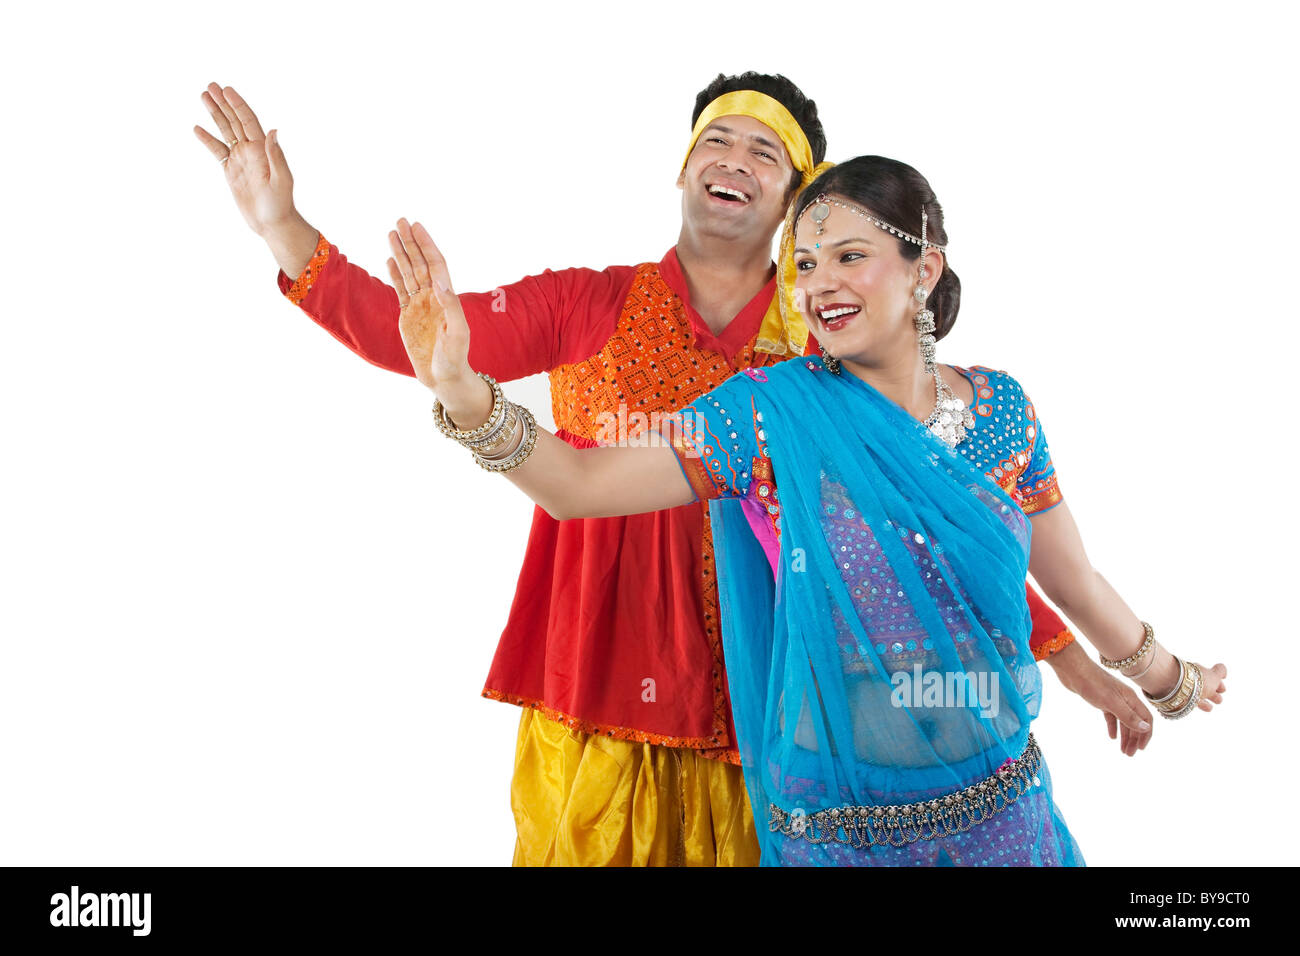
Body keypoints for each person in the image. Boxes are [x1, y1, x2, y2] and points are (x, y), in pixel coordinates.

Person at [195, 77, 1157, 866]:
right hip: (605, 690)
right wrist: (285, 231)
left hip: (781, 710)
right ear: (685, 167)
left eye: (764, 152)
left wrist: (1076, 657)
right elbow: (418, 339)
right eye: (717, 140)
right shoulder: (587, 305)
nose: (734, 160)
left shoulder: (830, 343)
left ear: (795, 203)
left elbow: (931, 533)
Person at [390, 154, 1228, 866]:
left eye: (849, 257)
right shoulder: (765, 412)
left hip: (1001, 810)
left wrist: (1169, 679)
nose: (820, 284)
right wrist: (463, 392)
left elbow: (1074, 582)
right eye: (805, 264)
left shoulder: (1003, 409)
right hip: (838, 828)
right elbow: (577, 487)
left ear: (922, 270)